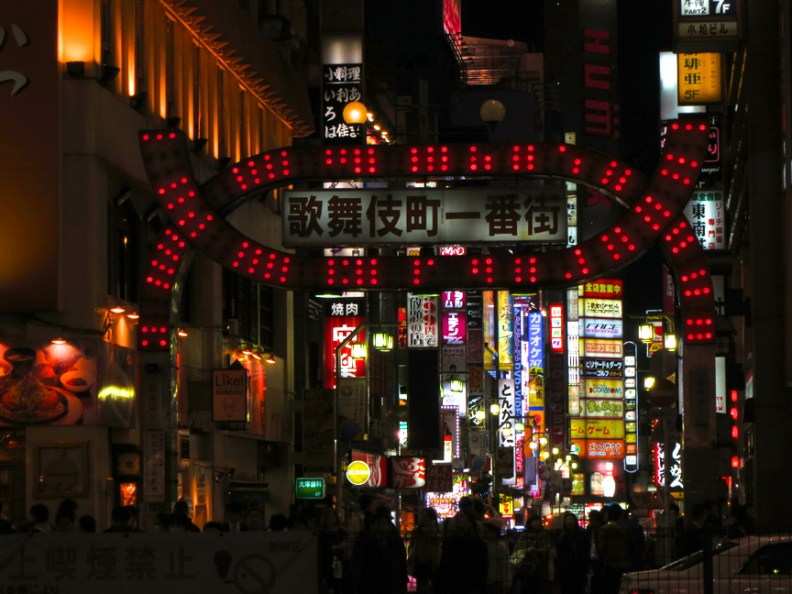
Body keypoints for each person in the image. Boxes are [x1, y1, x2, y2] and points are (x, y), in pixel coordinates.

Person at [350, 506, 408, 594]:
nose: (381, 525)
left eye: (383, 523)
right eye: (379, 522)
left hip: (383, 580)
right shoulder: (366, 539)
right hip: (378, 580)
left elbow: (402, 561)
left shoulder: (394, 540)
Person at [434, 508, 488, 594]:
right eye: (457, 517)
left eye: (462, 517)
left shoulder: (477, 544)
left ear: (470, 523)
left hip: (468, 585)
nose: (458, 519)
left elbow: (481, 569)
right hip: (453, 585)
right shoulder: (450, 543)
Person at [593, 505, 633, 594]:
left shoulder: (604, 529)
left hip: (610, 564)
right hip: (626, 562)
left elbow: (601, 549)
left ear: (608, 514)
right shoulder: (626, 527)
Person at [509, 515, 553, 594]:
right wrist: (526, 551)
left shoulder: (544, 535)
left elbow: (547, 549)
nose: (537, 523)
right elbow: (518, 549)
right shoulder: (524, 535)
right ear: (530, 523)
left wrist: (537, 550)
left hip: (541, 568)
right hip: (525, 568)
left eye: (538, 521)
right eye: (534, 521)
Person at [407, 507, 442, 593]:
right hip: (422, 563)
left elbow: (411, 546)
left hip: (429, 564)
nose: (422, 518)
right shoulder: (437, 531)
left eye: (424, 516)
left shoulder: (435, 532)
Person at [554, 512, 590, 594]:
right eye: (567, 520)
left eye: (571, 519)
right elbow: (558, 550)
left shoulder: (582, 533)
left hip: (579, 566)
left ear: (575, 521)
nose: (569, 522)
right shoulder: (561, 534)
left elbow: (586, 549)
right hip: (565, 568)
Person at [317, 507, 347, 593]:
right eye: (327, 517)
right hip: (325, 563)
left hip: (338, 563)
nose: (329, 520)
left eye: (331, 517)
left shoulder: (341, 533)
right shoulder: (320, 534)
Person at [481, 519, 510, 594]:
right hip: (489, 580)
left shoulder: (500, 546)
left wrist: (506, 582)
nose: (486, 533)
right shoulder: (485, 544)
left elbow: (505, 565)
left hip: (496, 581)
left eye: (488, 531)